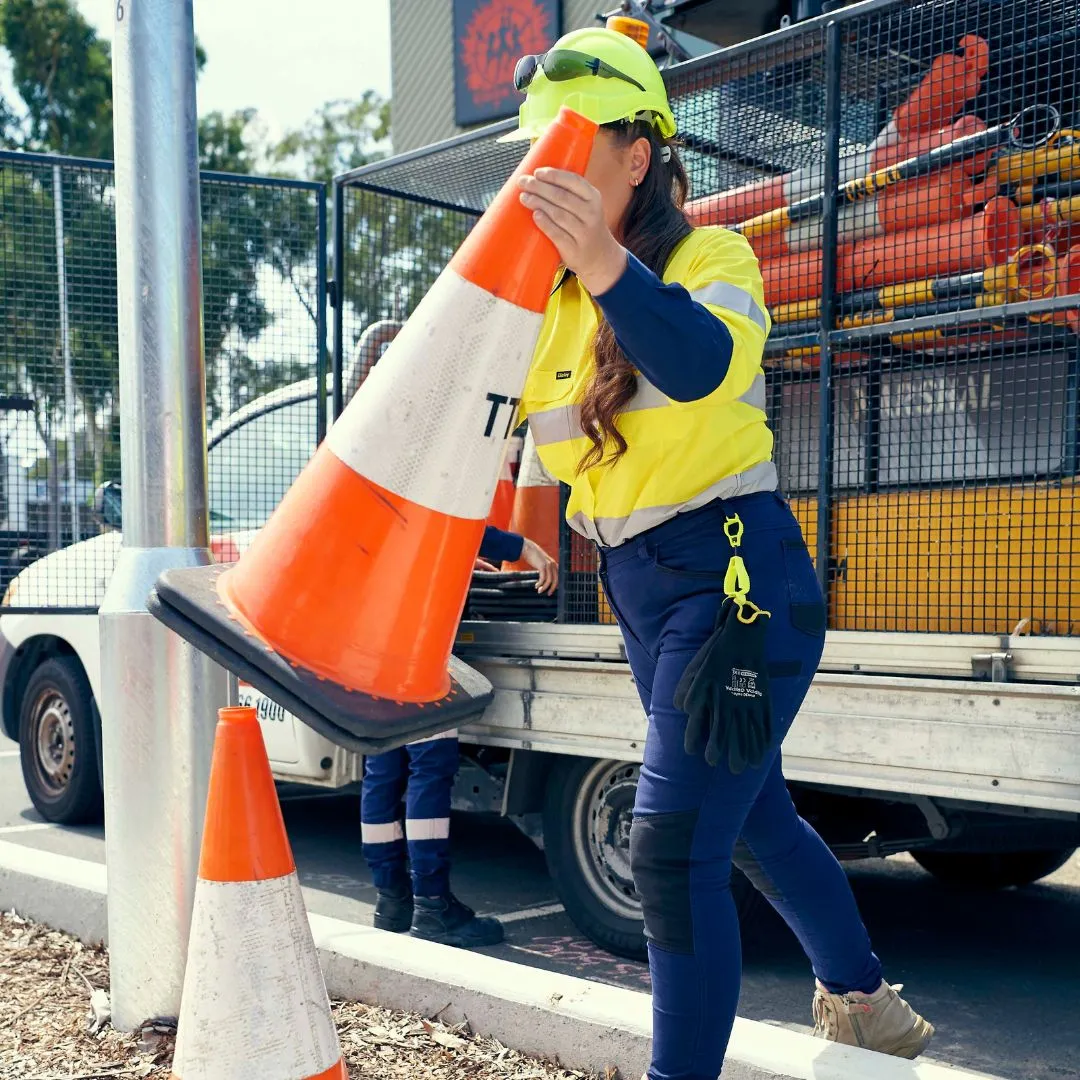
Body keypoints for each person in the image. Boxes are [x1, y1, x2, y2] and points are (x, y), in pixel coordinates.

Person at [500, 24, 935, 1079]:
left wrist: (603, 264)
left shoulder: (714, 257)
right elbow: (530, 438)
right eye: (533, 152)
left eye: (569, 145)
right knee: (759, 819)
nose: (544, 172)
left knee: (672, 850)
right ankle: (868, 1005)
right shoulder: (553, 302)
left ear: (636, 155)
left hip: (738, 582)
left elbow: (695, 366)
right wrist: (524, 524)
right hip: (640, 593)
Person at [361, 523, 557, 948]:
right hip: (421, 644)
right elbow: (451, 518)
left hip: (373, 639)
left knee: (383, 768)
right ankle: (432, 907)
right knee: (429, 770)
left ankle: (392, 899)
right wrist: (524, 547)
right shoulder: (416, 470)